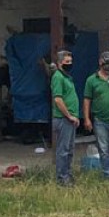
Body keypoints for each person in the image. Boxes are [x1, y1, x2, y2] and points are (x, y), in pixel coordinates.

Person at [49, 49, 79, 185]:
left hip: (70, 119)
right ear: (60, 63)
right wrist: (69, 116)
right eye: (67, 62)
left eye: (71, 61)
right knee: (63, 149)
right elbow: (58, 99)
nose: (70, 64)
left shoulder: (66, 77)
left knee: (69, 149)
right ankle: (62, 177)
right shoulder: (58, 77)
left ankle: (67, 174)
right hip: (63, 119)